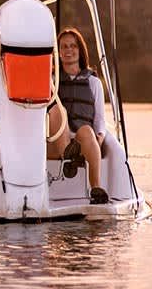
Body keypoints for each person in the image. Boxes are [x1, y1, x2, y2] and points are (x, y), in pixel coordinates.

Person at [47, 27, 109, 204]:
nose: (69, 50)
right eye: (64, 47)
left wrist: (100, 138)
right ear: (58, 52)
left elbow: (100, 120)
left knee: (87, 131)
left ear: (80, 50)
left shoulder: (93, 82)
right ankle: (67, 154)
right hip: (57, 140)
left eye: (73, 46)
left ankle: (96, 188)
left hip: (82, 142)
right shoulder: (51, 80)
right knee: (58, 110)